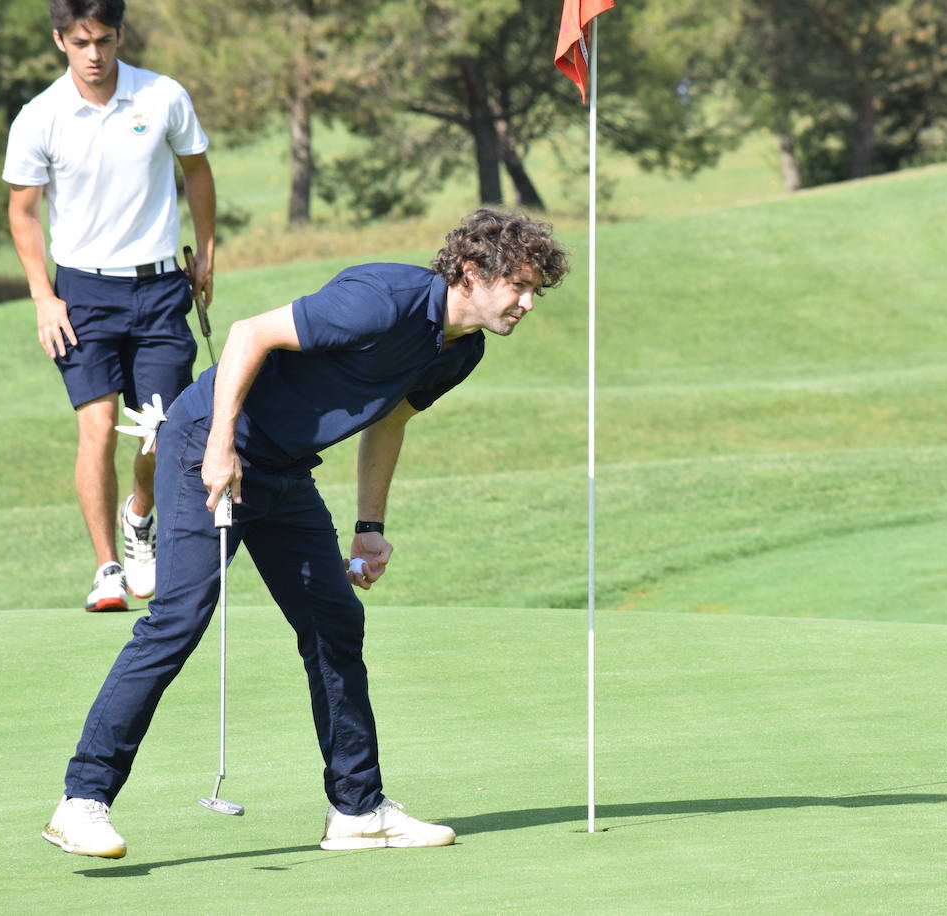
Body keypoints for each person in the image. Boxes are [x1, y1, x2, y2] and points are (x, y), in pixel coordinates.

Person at [41, 209, 569, 858]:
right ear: (470, 271)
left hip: (284, 471)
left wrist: (369, 527)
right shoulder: (384, 300)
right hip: (206, 450)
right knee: (177, 621)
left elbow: (390, 422)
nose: (526, 303)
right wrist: (217, 445)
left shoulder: (461, 350)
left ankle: (358, 809)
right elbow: (247, 335)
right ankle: (82, 802)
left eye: (534, 291)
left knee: (334, 624)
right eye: (517, 285)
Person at [4, 0, 216, 612]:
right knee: (96, 427)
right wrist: (44, 296)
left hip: (157, 290)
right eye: (79, 42)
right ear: (59, 41)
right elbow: (23, 212)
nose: (93, 54)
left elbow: (197, 172)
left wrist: (206, 253)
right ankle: (106, 570)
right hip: (82, 294)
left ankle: (140, 514)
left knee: (162, 434)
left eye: (102, 39)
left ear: (120, 35)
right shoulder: (39, 117)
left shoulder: (162, 97)